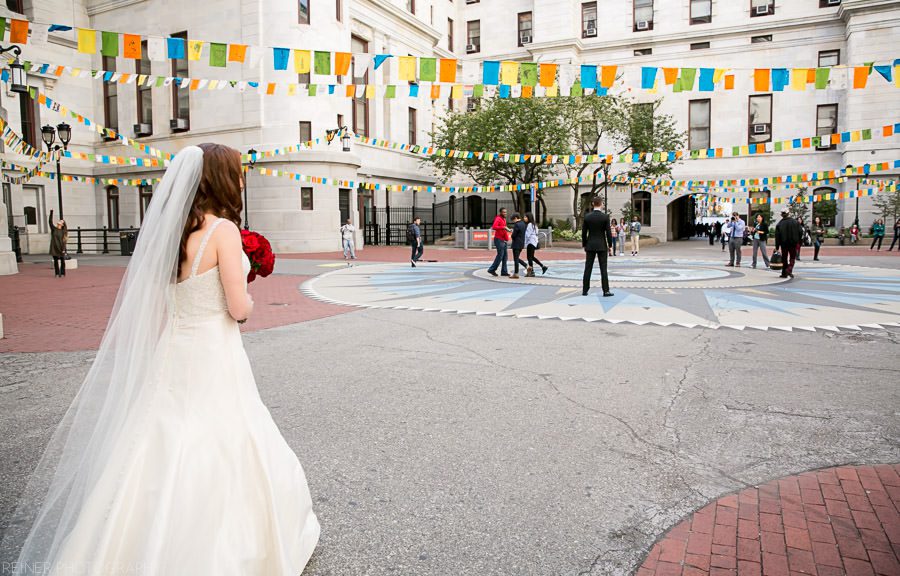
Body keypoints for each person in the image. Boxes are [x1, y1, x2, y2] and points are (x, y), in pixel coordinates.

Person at [3, 145, 319, 574]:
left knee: (160, 433)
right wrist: (248, 295)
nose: (242, 179)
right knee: (223, 433)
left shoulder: (173, 233)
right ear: (221, 179)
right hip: (212, 349)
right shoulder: (222, 231)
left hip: (175, 346)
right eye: (237, 172)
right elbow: (237, 308)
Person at [582, 197, 614, 297]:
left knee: (588, 268)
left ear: (592, 204)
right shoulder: (605, 217)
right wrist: (610, 245)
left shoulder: (587, 216)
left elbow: (584, 233)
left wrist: (585, 244)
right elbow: (608, 232)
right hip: (602, 245)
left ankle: (585, 290)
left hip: (590, 245)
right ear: (601, 204)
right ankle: (606, 290)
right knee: (603, 269)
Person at [775, 208, 802, 279]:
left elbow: (777, 237)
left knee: (784, 258)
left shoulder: (779, 224)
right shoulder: (795, 222)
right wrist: (798, 240)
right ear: (788, 213)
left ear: (781, 215)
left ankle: (784, 272)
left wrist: (777, 247)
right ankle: (789, 269)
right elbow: (800, 232)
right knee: (792, 257)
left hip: (784, 244)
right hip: (793, 243)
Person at [487, 207, 510, 277]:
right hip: (499, 240)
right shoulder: (498, 218)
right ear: (500, 212)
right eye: (503, 212)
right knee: (500, 255)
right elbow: (494, 227)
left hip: (503, 240)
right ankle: (492, 269)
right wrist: (504, 227)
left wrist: (507, 231)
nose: (505, 213)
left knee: (505, 257)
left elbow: (503, 229)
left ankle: (504, 271)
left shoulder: (503, 219)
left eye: (506, 212)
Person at [524, 212, 547, 277]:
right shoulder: (534, 224)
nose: (524, 218)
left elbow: (527, 235)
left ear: (529, 218)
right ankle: (543, 266)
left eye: (525, 217)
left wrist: (525, 243)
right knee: (532, 257)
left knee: (529, 257)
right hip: (534, 242)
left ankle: (531, 272)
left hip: (530, 242)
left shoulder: (529, 225)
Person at [49, 209, 68, 277]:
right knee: (56, 261)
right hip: (54, 247)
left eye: (61, 221)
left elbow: (64, 241)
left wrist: (63, 249)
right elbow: (50, 222)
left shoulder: (64, 232)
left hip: (61, 247)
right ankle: (57, 273)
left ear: (62, 224)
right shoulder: (54, 229)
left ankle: (63, 273)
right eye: (60, 220)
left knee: (62, 261)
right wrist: (51, 212)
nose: (59, 221)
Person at [509, 213, 528, 279]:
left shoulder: (517, 224)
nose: (513, 221)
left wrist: (512, 234)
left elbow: (514, 235)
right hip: (521, 243)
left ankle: (516, 273)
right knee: (516, 258)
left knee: (516, 259)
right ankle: (526, 265)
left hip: (516, 244)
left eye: (513, 219)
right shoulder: (523, 224)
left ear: (516, 218)